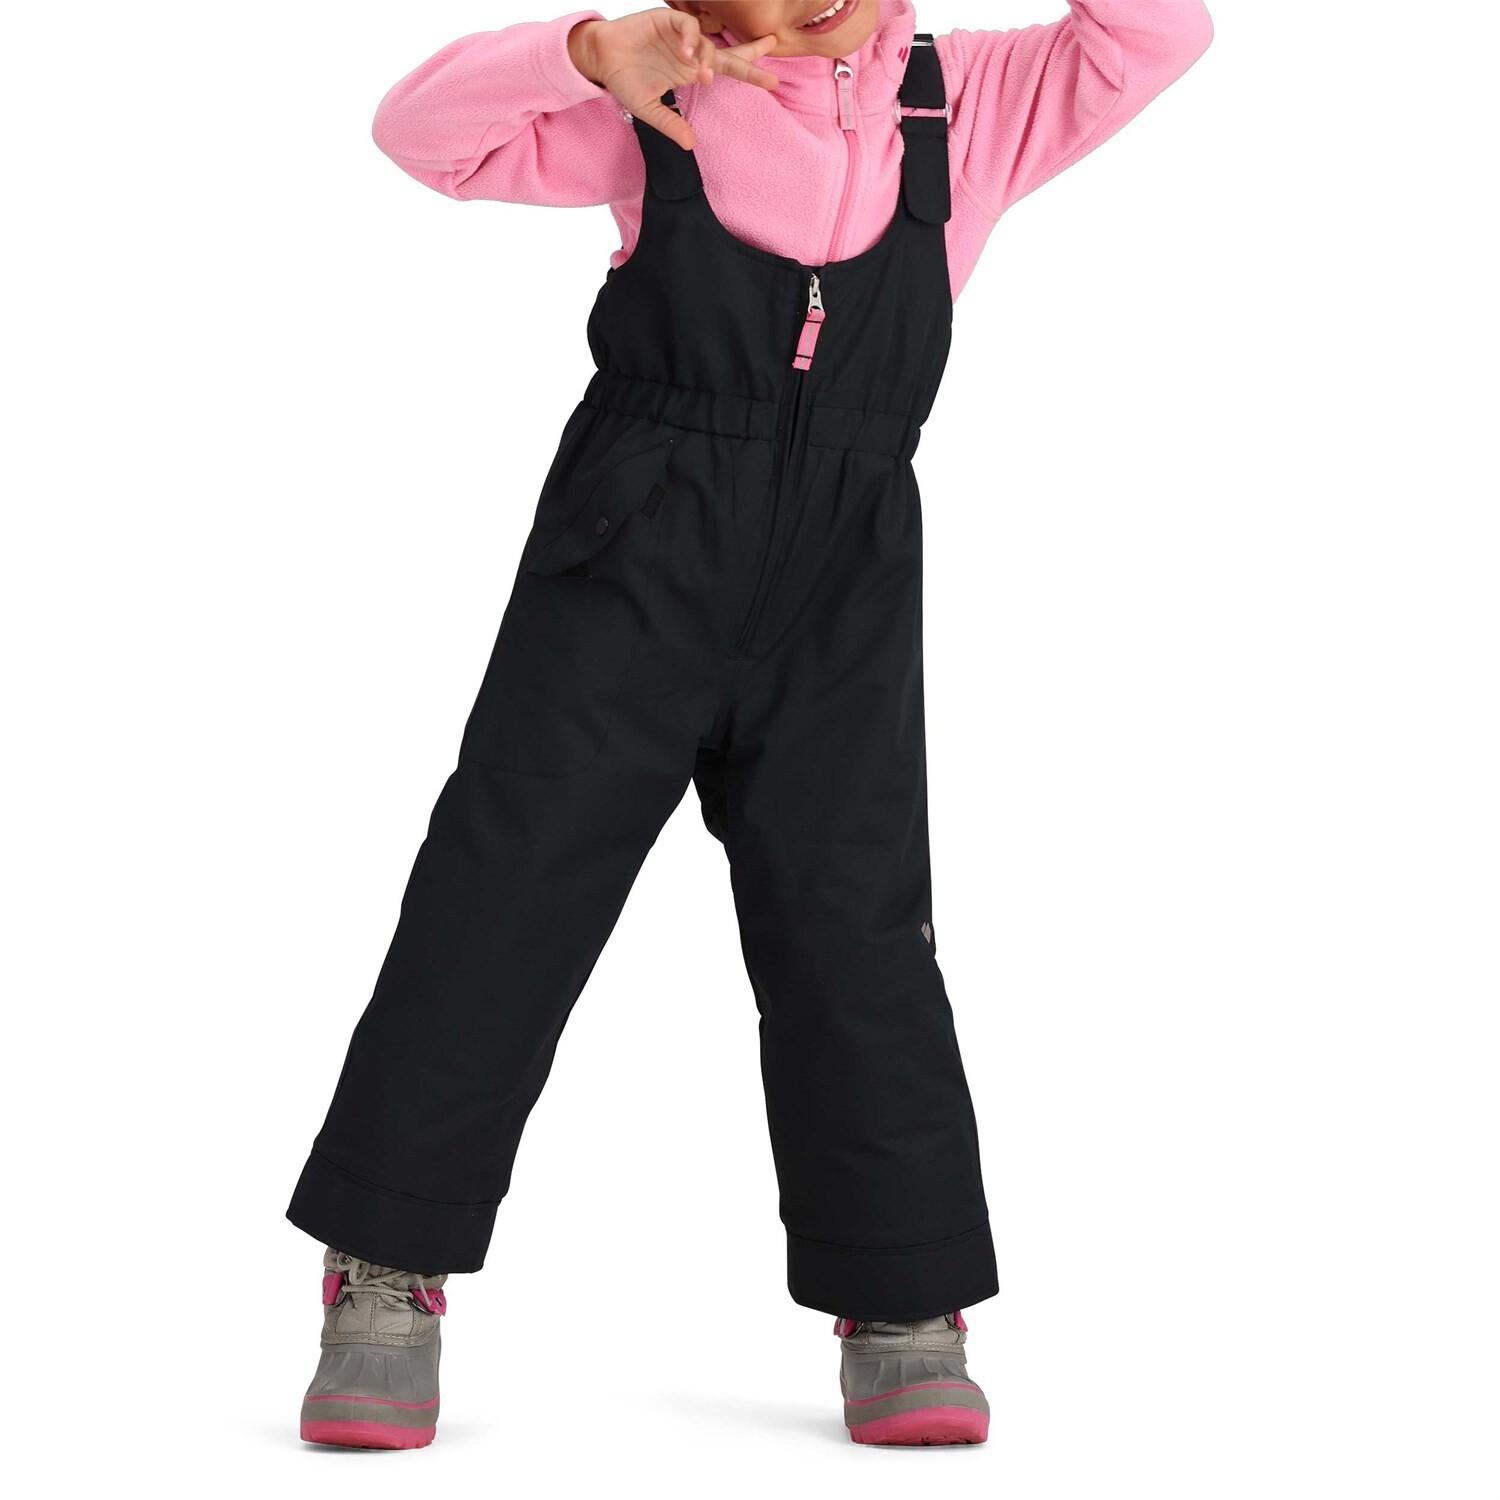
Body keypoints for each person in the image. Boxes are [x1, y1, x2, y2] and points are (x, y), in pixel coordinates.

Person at [288, 0, 1213, 1450]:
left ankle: (903, 1299)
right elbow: (421, 137)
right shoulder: (661, 93)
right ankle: (384, 1270)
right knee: (503, 892)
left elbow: (1160, 32)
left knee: (858, 923)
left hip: (845, 570)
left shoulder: (962, 102)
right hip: (635, 550)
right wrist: (583, 56)